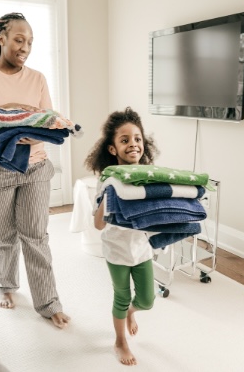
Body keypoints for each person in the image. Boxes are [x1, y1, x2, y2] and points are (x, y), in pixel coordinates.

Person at [0, 13, 70, 329]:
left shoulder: (37, 78)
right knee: (5, 235)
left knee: (36, 236)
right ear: (1, 38)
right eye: (19, 40)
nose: (25, 47)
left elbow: (46, 119)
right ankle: (6, 286)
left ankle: (49, 303)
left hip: (35, 165)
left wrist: (31, 131)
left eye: (30, 42)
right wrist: (2, 112)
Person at [85, 107, 159, 366]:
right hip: (116, 250)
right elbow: (97, 224)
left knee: (147, 300)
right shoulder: (106, 180)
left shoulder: (149, 177)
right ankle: (119, 341)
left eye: (137, 139)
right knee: (121, 296)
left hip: (141, 249)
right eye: (124, 140)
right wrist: (110, 193)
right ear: (113, 149)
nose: (133, 144)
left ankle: (131, 313)